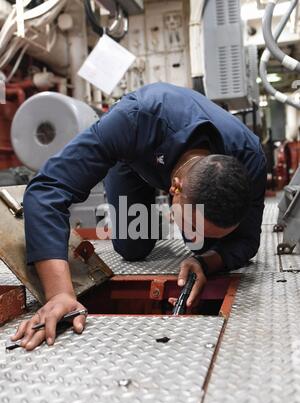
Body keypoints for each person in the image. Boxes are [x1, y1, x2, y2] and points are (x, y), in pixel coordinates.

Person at [12, 83, 267, 351]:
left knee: (203, 247)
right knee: (131, 247)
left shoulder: (251, 162)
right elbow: (47, 189)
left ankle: (164, 221)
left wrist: (206, 262)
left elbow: (247, 241)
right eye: (194, 226)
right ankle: (150, 215)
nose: (195, 236)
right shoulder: (132, 119)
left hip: (181, 160)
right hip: (135, 152)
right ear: (175, 189)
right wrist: (59, 294)